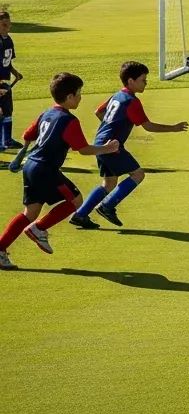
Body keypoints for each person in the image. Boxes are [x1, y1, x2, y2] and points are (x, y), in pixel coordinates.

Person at [0, 72, 119, 270]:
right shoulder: (69, 120)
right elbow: (84, 150)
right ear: (70, 97)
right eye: (79, 93)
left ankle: (1, 249)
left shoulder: (47, 113)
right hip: (46, 169)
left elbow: (28, 135)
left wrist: (20, 157)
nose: (81, 97)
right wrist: (108, 148)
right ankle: (39, 228)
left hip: (31, 166)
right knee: (76, 201)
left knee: (30, 212)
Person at [70, 60, 189, 229]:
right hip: (112, 146)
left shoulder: (117, 95)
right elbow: (148, 126)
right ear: (131, 81)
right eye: (143, 80)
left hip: (100, 143)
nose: (146, 82)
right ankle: (107, 206)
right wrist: (174, 128)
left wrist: (111, 126)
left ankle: (80, 215)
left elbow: (99, 111)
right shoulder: (132, 101)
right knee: (138, 174)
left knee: (109, 183)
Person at [0, 10, 23, 149]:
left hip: (5, 82)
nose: (7, 28)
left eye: (8, 25)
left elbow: (6, 62)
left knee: (8, 111)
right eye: (3, 25)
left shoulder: (8, 40)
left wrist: (15, 73)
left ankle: (7, 140)